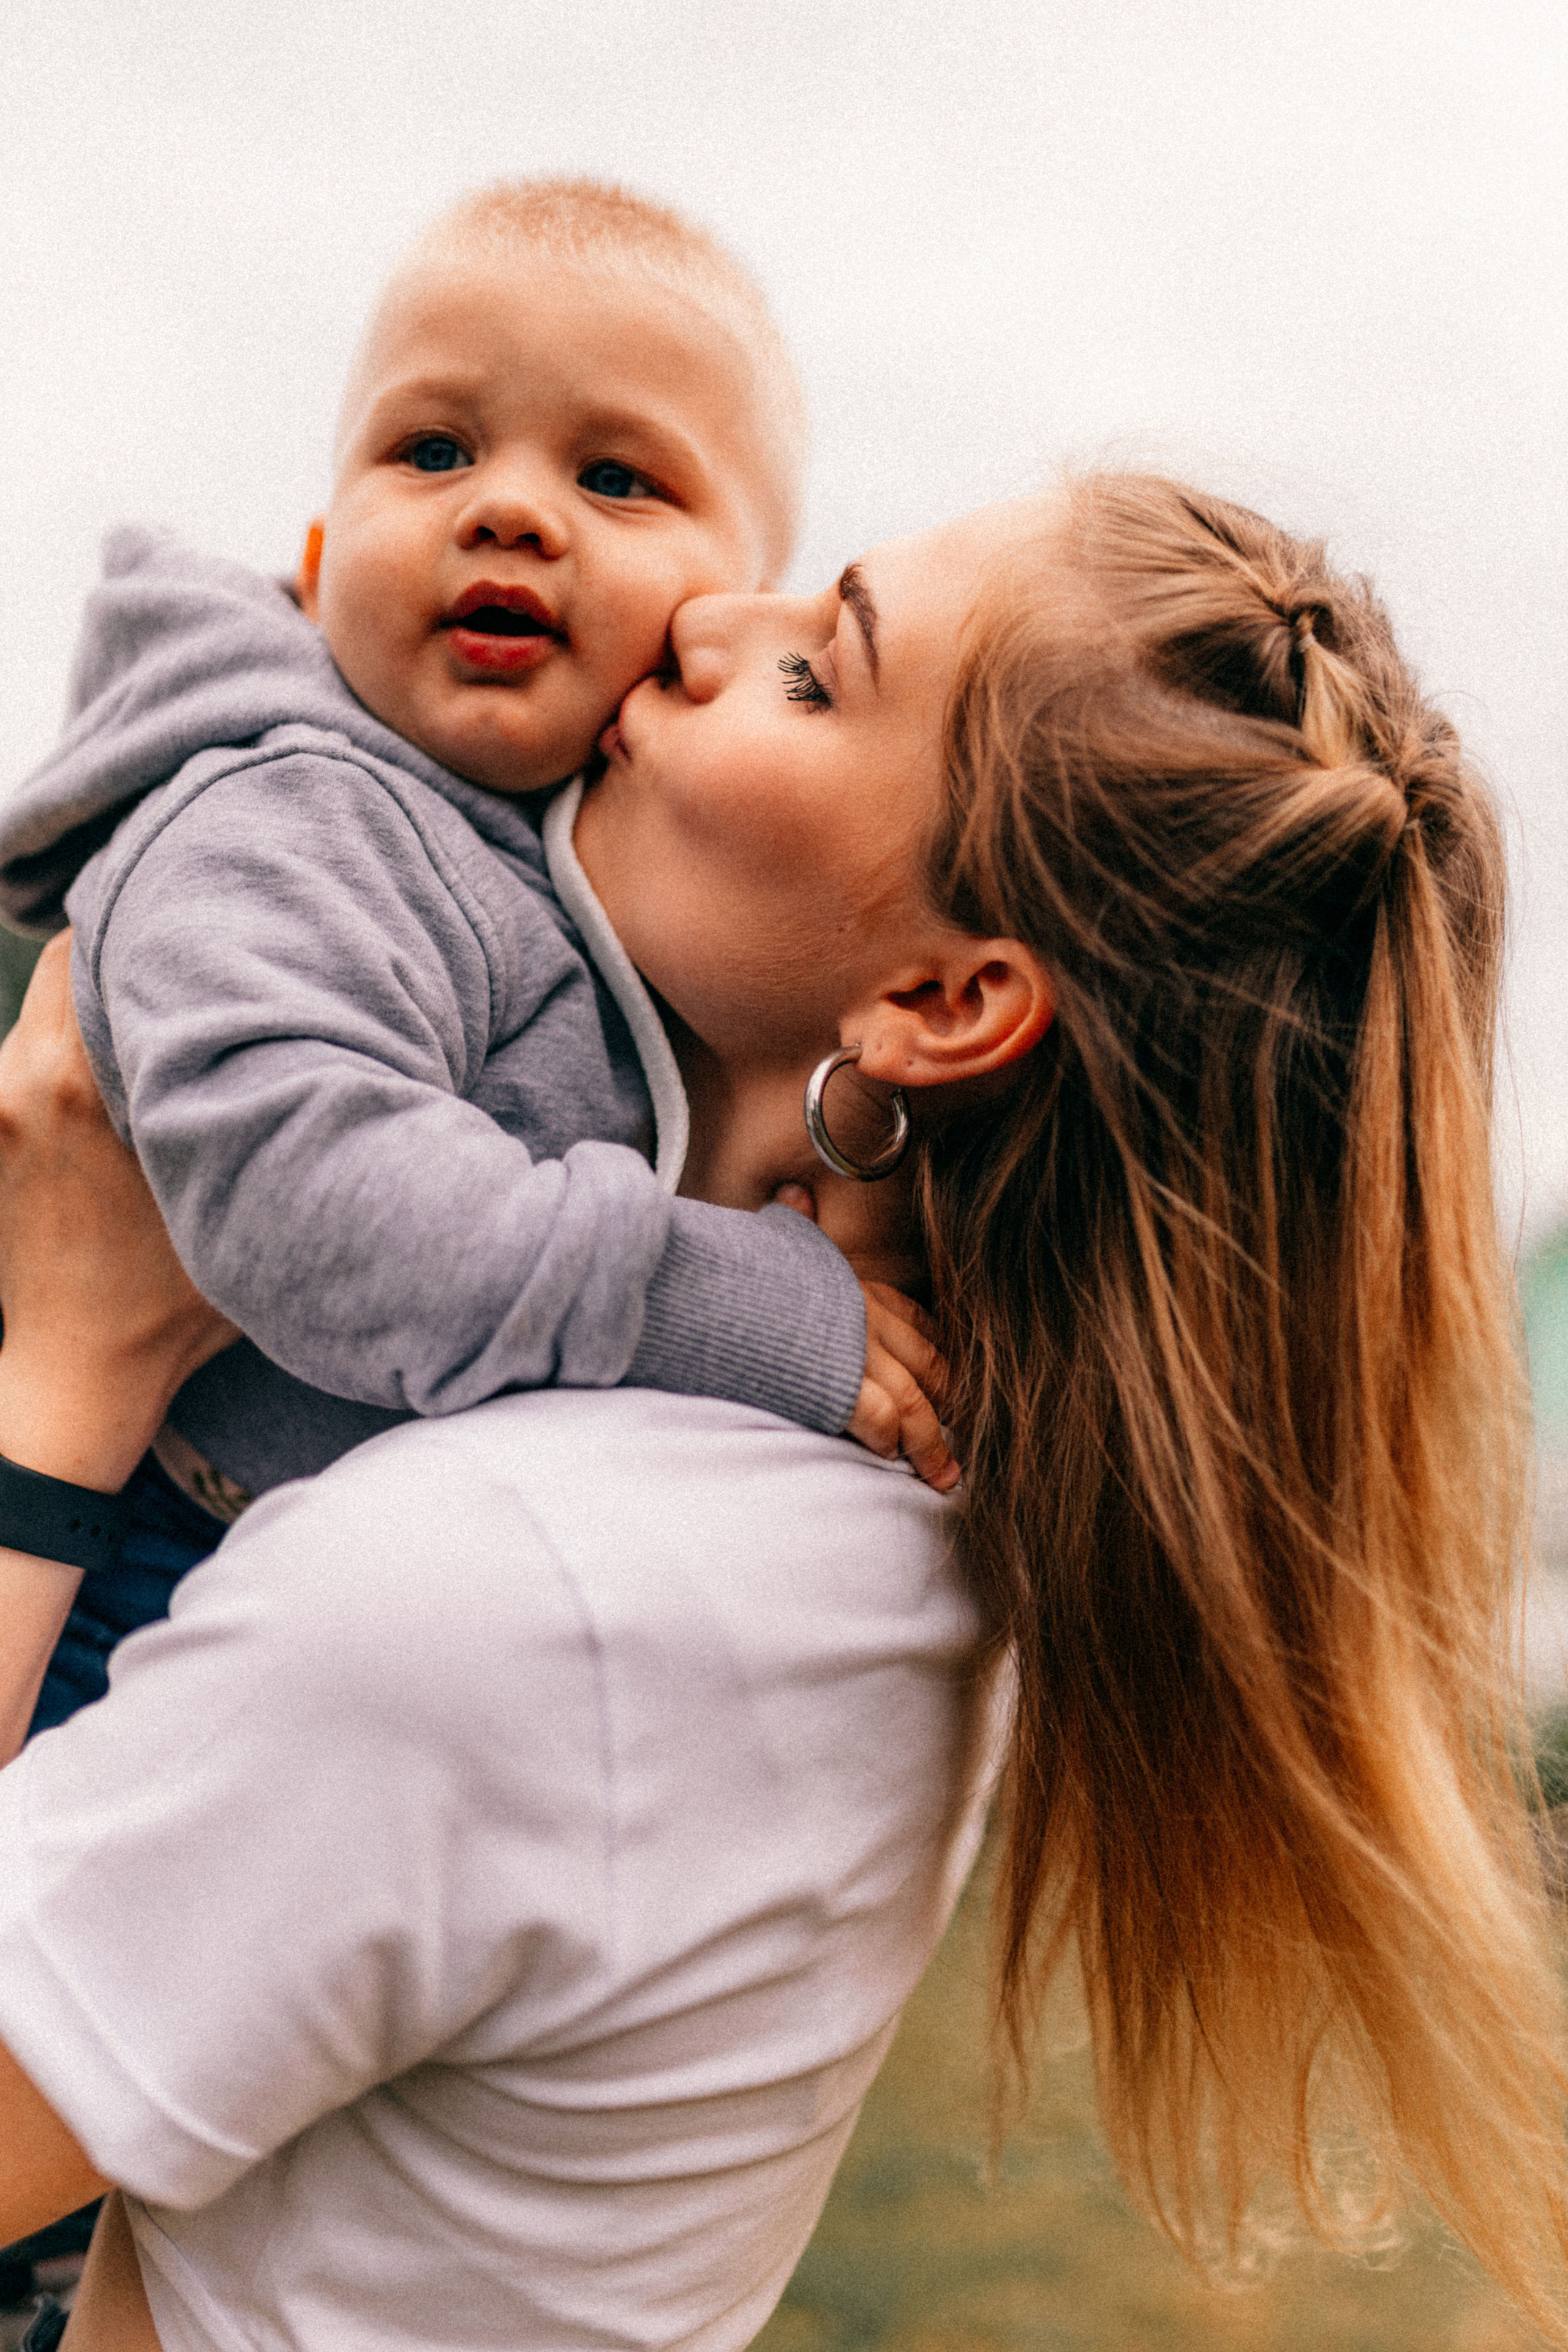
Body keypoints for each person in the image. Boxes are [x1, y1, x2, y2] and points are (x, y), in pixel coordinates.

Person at [0, 475, 1564, 2348]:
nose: (702, 624)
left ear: (946, 1000)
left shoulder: (505, 1588)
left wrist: (72, 1370)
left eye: (820, 671)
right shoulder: (885, 1518)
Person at [0, 175, 948, 1736]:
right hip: (132, 1570)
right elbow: (323, 1208)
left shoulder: (584, 867)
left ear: (729, 614)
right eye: (431, 450)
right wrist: (735, 1308)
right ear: (317, 564)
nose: (508, 507)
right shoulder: (293, 812)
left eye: (619, 477)